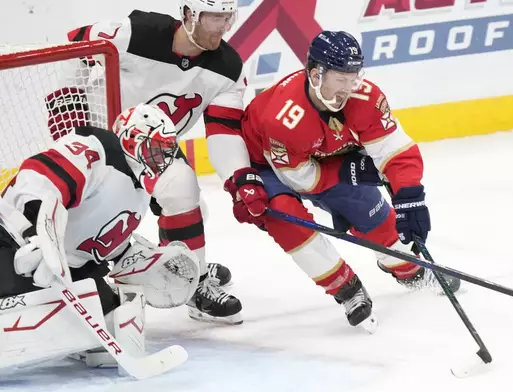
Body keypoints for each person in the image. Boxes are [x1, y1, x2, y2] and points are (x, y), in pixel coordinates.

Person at [230, 31, 461, 331]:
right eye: (341, 78)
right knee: (287, 219)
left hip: (325, 158)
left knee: (377, 219)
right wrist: (350, 171)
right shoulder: (284, 117)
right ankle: (347, 289)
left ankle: (411, 270)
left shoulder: (366, 96)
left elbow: (395, 151)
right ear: (316, 75)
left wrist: (410, 197)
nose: (349, 88)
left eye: (354, 77)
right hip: (268, 165)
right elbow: (299, 179)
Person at [61, 0, 269, 322]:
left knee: (185, 192)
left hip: (154, 146)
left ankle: (191, 279)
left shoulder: (229, 68)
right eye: (214, 18)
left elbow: (223, 132)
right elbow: (75, 43)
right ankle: (85, 270)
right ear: (189, 14)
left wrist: (240, 177)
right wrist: (68, 112)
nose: (222, 29)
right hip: (99, 135)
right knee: (90, 216)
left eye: (228, 19)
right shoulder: (137, 32)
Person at [0, 104, 203, 368]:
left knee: (114, 323)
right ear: (132, 142)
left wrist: (137, 259)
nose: (161, 161)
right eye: (154, 151)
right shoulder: (97, 149)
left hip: (68, 266)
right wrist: (36, 234)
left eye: (165, 152)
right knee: (15, 297)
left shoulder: (142, 190)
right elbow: (37, 178)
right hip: (14, 237)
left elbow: (102, 241)